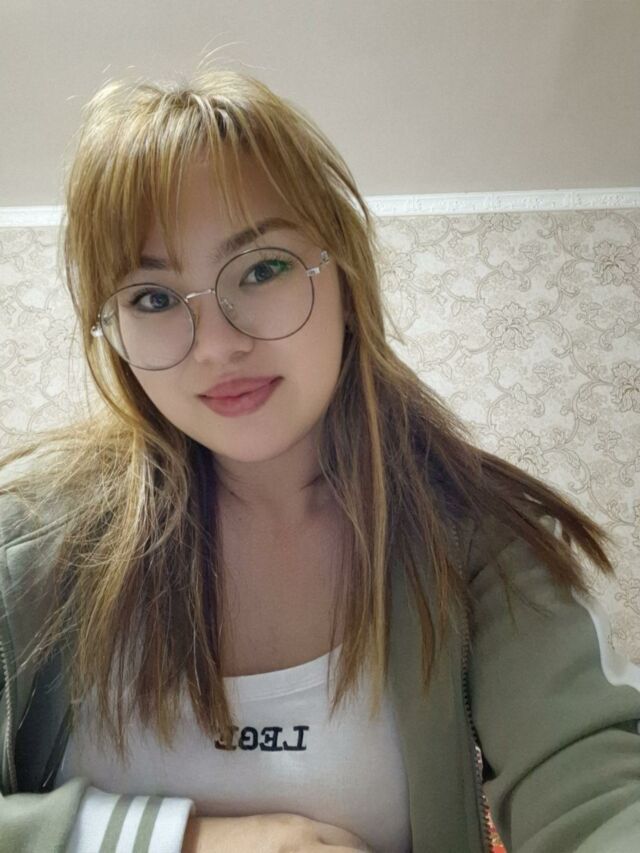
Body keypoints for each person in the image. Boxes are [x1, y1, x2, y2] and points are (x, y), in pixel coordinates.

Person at [0, 70, 638, 853]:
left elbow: (596, 791)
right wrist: (185, 842)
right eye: (153, 297)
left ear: (345, 277)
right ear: (113, 330)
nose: (217, 345)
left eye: (261, 268)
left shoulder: (482, 541)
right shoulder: (25, 550)